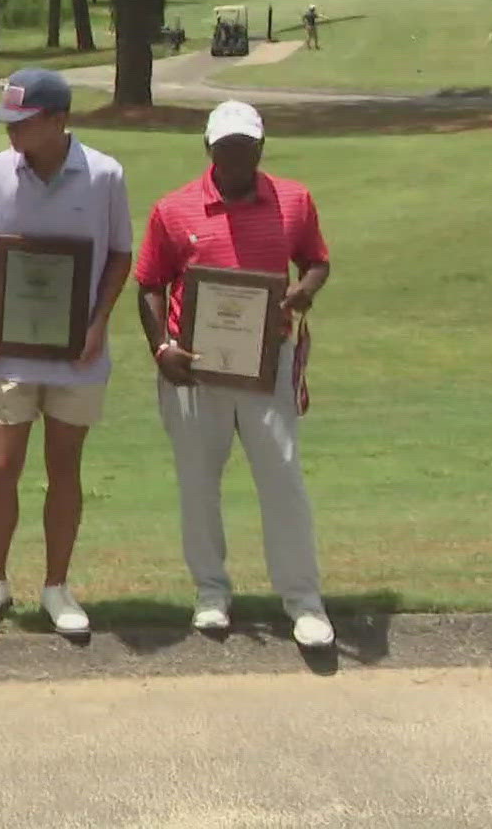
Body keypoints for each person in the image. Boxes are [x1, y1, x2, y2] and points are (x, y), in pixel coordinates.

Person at [134, 101, 336, 651]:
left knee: (283, 481)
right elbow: (149, 282)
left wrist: (302, 291)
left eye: (245, 146)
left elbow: (316, 260)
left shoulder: (293, 200)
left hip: (268, 363)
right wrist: (161, 348)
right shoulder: (174, 209)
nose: (235, 156)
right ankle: (211, 593)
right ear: (209, 149)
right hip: (194, 368)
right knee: (199, 486)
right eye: (226, 147)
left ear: (260, 148)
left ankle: (303, 601)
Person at [0, 69, 133, 638]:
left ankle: (57, 585)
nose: (11, 133)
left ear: (59, 121)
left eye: (24, 122)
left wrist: (99, 323)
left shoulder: (105, 175)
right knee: (3, 464)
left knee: (64, 467)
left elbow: (117, 256)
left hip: (77, 353)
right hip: (10, 351)